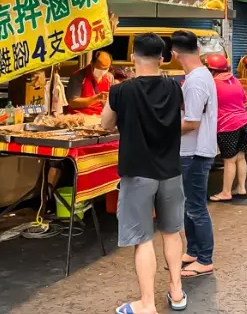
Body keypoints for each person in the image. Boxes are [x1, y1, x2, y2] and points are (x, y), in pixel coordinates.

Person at [101, 33, 187, 314]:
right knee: (173, 233)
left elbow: (105, 124)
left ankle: (147, 304)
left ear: (134, 56)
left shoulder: (121, 91)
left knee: (143, 238)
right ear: (162, 59)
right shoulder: (175, 88)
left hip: (138, 173)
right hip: (171, 171)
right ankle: (176, 292)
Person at [171, 31, 218, 278]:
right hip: (193, 151)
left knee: (196, 207)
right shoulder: (199, 76)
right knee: (190, 204)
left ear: (174, 55)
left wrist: (163, 127)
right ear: (198, 50)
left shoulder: (196, 80)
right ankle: (193, 251)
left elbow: (191, 122)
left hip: (195, 152)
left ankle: (205, 258)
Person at [205, 54, 247, 203]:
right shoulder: (236, 81)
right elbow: (243, 100)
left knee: (229, 160)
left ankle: (226, 192)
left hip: (228, 125)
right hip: (244, 122)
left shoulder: (213, 84)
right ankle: (241, 188)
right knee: (241, 157)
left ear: (211, 70)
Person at [67, 50, 112, 115]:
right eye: (100, 68)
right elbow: (73, 103)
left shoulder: (109, 77)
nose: (103, 71)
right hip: (80, 115)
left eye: (106, 69)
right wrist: (97, 98)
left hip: (100, 115)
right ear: (92, 63)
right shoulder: (78, 77)